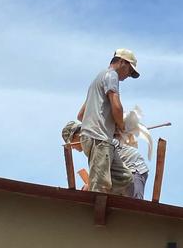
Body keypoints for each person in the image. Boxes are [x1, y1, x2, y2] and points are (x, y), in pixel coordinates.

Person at [77, 49, 140, 195]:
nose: (128, 76)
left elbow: (81, 115)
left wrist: (108, 123)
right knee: (100, 186)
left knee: (124, 178)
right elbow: (116, 107)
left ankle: (94, 185)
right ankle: (92, 208)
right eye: (130, 71)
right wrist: (121, 126)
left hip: (92, 137)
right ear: (123, 62)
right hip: (100, 139)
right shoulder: (112, 75)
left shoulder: (97, 80)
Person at [62, 118, 148, 198]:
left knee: (135, 203)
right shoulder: (90, 143)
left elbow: (102, 166)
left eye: (71, 143)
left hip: (133, 166)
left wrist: (90, 185)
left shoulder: (95, 139)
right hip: (121, 173)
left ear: (76, 135)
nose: (72, 148)